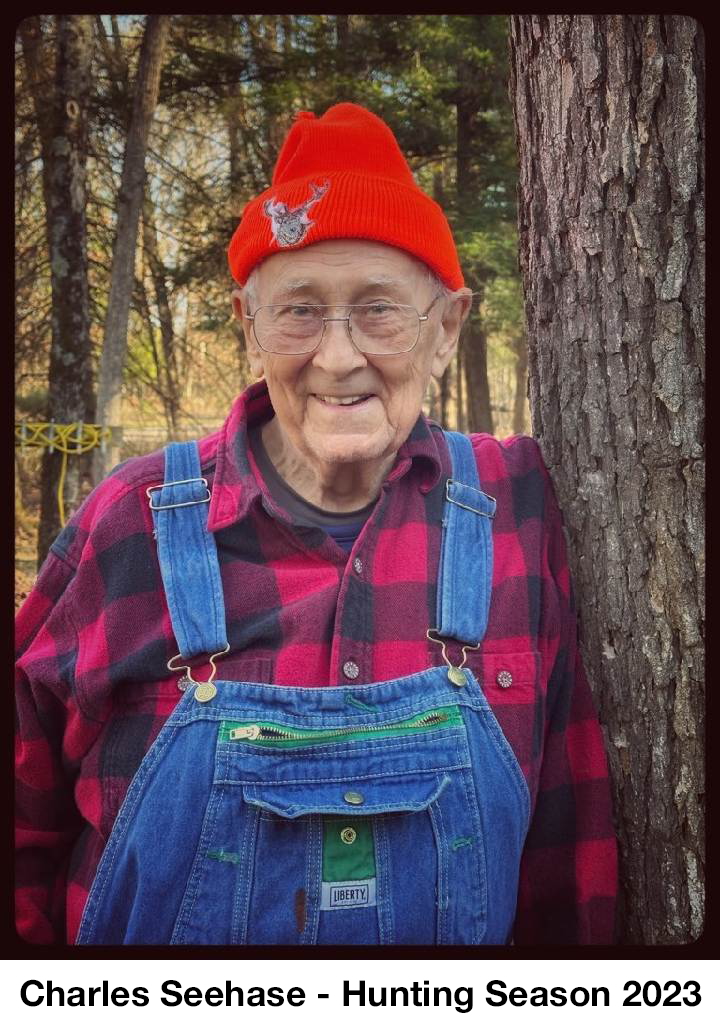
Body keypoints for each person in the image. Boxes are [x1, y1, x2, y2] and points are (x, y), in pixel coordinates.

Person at [15, 103, 617, 946]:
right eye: (299, 310)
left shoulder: (515, 510)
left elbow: (569, 864)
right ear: (248, 326)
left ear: (445, 331)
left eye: (380, 310)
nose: (338, 356)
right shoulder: (131, 528)